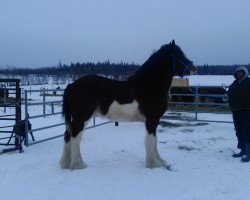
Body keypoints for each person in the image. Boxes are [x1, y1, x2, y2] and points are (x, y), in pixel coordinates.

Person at [224, 66, 250, 162]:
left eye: (241, 72)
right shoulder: (233, 84)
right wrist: (226, 96)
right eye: (237, 73)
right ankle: (243, 150)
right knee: (239, 131)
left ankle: (248, 153)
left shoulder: (248, 82)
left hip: (247, 110)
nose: (239, 74)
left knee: (247, 131)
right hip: (236, 110)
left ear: (245, 73)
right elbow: (228, 93)